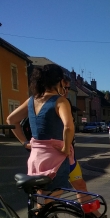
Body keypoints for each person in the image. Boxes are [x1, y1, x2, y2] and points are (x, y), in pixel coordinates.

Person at [59, 76, 110, 218]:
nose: (66, 91)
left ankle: (96, 216)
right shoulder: (50, 103)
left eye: (68, 88)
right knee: (50, 196)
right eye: (64, 87)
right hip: (55, 159)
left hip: (69, 157)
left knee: (81, 186)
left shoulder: (64, 103)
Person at [7, 64, 73, 195]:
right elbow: (68, 127)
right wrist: (66, 148)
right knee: (51, 200)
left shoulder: (32, 100)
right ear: (60, 81)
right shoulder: (60, 101)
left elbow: (11, 120)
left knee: (41, 199)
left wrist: (25, 143)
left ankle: (42, 215)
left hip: (36, 157)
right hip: (55, 158)